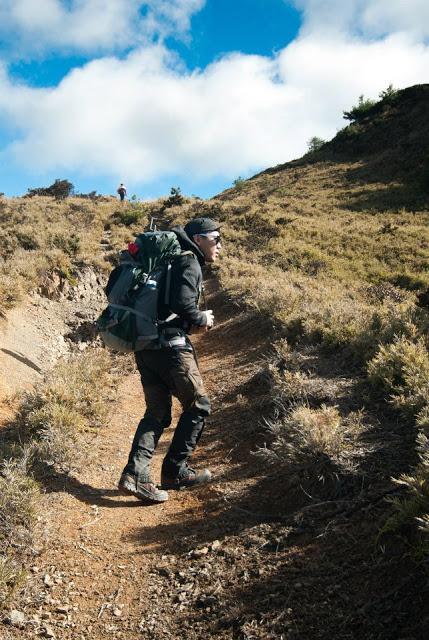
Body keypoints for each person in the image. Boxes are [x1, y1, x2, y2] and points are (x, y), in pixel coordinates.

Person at [118, 217, 222, 503]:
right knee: (198, 405)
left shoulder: (167, 262)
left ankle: (135, 474)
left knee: (157, 414)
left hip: (146, 347)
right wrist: (202, 318)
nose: (219, 246)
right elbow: (183, 304)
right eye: (215, 238)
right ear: (199, 239)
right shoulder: (189, 262)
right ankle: (175, 471)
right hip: (172, 349)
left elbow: (168, 305)